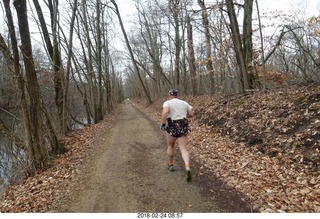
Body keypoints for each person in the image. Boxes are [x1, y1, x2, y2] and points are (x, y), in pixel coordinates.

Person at [160, 89, 194, 181]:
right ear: (177, 95)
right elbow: (191, 113)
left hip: (172, 126)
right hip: (183, 126)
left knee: (170, 145)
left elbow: (165, 112)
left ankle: (170, 164)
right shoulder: (184, 103)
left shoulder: (167, 103)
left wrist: (163, 124)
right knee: (183, 148)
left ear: (169, 95)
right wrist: (185, 115)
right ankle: (187, 167)